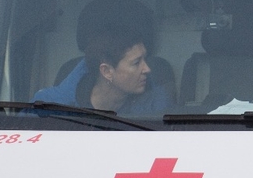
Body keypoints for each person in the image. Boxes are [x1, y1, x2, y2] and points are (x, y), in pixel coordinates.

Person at [33, 26, 172, 114]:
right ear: (107, 71)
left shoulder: (158, 106)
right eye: (136, 63)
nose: (147, 69)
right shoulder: (49, 106)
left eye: (144, 59)